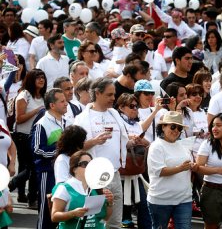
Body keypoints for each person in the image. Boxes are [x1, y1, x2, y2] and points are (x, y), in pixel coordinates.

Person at [74, 77, 128, 229]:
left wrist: (132, 141)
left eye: (114, 94)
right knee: (93, 223)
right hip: (94, 177)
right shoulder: (82, 118)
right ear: (97, 93)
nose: (113, 98)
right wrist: (94, 142)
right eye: (109, 95)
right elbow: (73, 148)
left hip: (115, 175)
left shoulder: (114, 114)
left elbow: (122, 139)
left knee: (115, 224)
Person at [147, 111, 196, 229]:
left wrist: (193, 166)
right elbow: (160, 171)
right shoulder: (156, 146)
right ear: (163, 127)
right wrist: (180, 168)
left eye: (179, 128)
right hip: (161, 200)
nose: (176, 131)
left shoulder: (183, 145)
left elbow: (190, 165)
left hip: (184, 198)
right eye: (173, 126)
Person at [31, 88, 69, 229]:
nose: (66, 103)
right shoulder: (42, 124)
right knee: (46, 211)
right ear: (52, 105)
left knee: (61, 208)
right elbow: (37, 150)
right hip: (47, 173)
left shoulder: (65, 121)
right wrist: (59, 150)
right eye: (62, 101)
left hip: (64, 172)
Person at [9, 69, 47, 208]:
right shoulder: (24, 95)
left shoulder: (44, 96)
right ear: (31, 79)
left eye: (43, 77)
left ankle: (27, 196)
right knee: (29, 167)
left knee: (31, 167)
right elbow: (19, 119)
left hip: (37, 136)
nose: (41, 80)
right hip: (23, 136)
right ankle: (12, 186)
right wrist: (37, 111)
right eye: (38, 78)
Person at [115, 93, 152, 229]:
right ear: (121, 107)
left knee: (143, 203)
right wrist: (130, 139)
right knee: (119, 208)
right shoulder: (116, 121)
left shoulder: (136, 124)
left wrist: (139, 140)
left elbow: (146, 142)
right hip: (120, 171)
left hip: (135, 171)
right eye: (131, 106)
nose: (135, 109)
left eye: (136, 106)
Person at [51, 151, 114, 228]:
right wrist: (73, 213)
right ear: (74, 169)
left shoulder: (97, 187)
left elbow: (105, 218)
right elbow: (54, 216)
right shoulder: (64, 188)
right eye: (85, 164)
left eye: (91, 164)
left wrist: (110, 203)